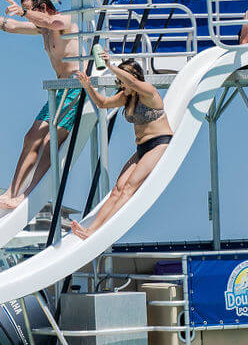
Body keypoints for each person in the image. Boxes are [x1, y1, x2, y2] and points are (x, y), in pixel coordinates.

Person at [0, 0, 81, 210]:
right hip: (59, 91)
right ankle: (11, 192)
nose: (27, 17)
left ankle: (27, 194)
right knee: (30, 138)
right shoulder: (42, 29)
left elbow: (51, 21)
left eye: (29, 10)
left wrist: (24, 12)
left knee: (48, 141)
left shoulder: (64, 22)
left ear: (43, 7)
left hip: (76, 90)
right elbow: (12, 26)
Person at [69, 56, 173, 239]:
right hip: (141, 149)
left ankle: (103, 231)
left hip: (160, 143)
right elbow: (103, 103)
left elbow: (131, 81)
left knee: (128, 188)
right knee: (117, 189)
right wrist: (88, 87)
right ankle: (91, 230)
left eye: (121, 80)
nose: (120, 84)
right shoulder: (127, 97)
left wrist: (109, 65)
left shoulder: (148, 91)